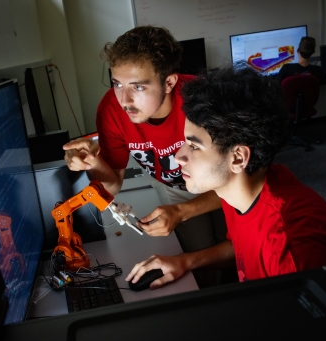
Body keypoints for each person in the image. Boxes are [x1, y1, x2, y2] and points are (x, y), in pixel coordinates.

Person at [127, 64, 326, 289]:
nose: (179, 156)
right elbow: (240, 246)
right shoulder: (244, 188)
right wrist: (185, 261)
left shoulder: (290, 252)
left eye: (194, 146)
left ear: (238, 158)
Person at [63, 26, 229, 287]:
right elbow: (112, 185)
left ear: (169, 82)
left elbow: (234, 177)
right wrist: (93, 163)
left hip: (220, 181)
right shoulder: (111, 110)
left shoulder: (202, 99)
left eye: (138, 86)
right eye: (117, 84)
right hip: (175, 185)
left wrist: (183, 211)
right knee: (197, 254)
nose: (124, 99)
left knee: (231, 242)